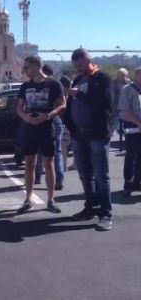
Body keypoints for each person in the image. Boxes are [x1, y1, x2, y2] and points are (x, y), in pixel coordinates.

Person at [64, 48, 113, 231]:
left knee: (101, 176)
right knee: (85, 175)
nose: (77, 69)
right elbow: (70, 104)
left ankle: (106, 214)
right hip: (79, 134)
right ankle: (90, 207)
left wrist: (79, 94)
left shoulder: (101, 78)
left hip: (97, 135)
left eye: (80, 65)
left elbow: (104, 102)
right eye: (75, 66)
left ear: (88, 61)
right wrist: (70, 125)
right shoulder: (77, 79)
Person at [16, 56, 66, 214]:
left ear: (36, 66)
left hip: (47, 127)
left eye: (26, 67)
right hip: (29, 128)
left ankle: (51, 199)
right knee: (29, 163)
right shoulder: (25, 86)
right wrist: (26, 117)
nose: (24, 70)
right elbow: (19, 107)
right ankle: (28, 198)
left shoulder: (53, 83)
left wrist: (48, 116)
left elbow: (63, 104)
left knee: (48, 163)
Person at [35, 65, 65, 190]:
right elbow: (63, 104)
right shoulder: (57, 85)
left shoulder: (47, 85)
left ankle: (38, 177)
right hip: (56, 120)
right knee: (56, 151)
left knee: (40, 150)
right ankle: (59, 180)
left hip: (48, 119)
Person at [118, 67, 141, 197]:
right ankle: (129, 183)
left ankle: (138, 182)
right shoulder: (127, 90)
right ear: (137, 75)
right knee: (131, 156)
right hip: (133, 128)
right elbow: (125, 110)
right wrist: (139, 123)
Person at [60, 76, 77, 172]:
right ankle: (75, 163)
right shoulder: (73, 94)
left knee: (64, 145)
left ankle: (64, 165)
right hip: (74, 123)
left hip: (66, 122)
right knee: (74, 144)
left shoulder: (63, 95)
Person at [112, 68, 131, 133]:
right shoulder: (113, 82)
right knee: (115, 121)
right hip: (115, 104)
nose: (122, 77)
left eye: (124, 75)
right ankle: (110, 135)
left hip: (126, 104)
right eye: (120, 75)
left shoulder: (128, 81)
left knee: (127, 120)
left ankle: (124, 134)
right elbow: (111, 95)